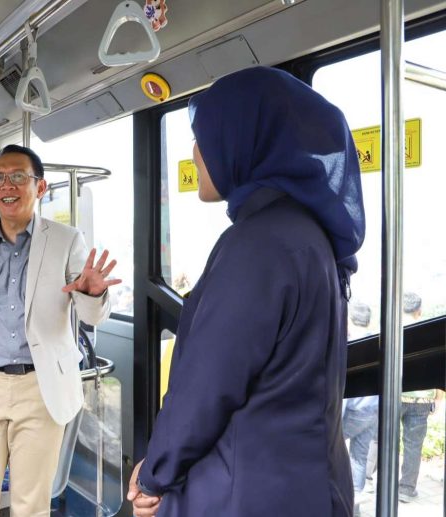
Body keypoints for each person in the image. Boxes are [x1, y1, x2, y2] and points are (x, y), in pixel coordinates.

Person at [127, 66, 365, 517]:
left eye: (206, 137)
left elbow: (208, 385)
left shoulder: (258, 244)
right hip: (306, 484)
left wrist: (155, 474)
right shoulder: (309, 236)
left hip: (244, 492)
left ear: (244, 140)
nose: (196, 153)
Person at [0, 144, 119, 516]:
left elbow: (92, 316)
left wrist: (93, 294)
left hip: (42, 387)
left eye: (19, 176)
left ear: (40, 186)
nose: (8, 185)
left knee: (31, 504)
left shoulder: (67, 240)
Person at [397, 292, 439, 502]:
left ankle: (367, 478)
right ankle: (405, 489)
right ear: (419, 310)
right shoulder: (428, 330)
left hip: (395, 395)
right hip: (422, 400)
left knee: (382, 438)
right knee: (413, 444)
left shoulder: (392, 327)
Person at [341, 302, 378, 506]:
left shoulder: (349, 345)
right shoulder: (376, 341)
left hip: (353, 412)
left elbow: (344, 389)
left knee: (331, 444)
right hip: (373, 410)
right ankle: (355, 496)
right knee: (360, 455)